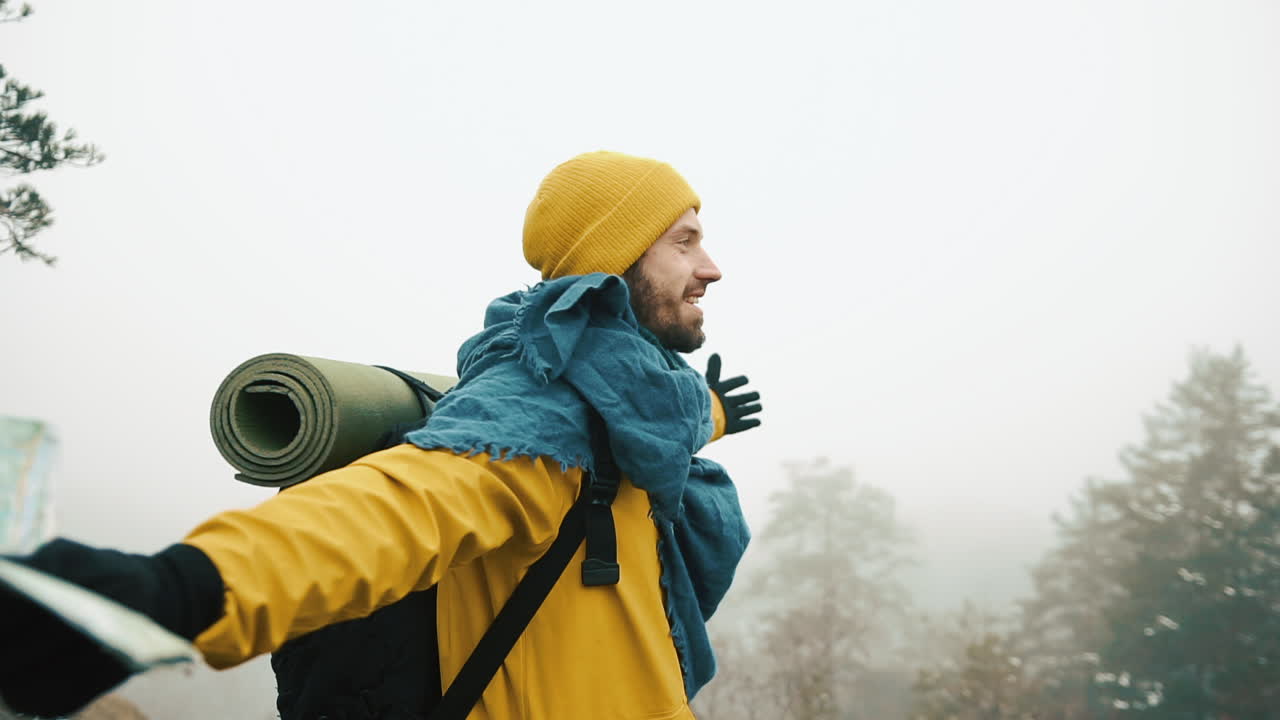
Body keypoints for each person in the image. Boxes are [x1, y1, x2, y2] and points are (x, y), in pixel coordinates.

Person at [0, 150, 761, 720]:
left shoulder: (635, 400)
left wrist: (711, 412)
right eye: (684, 241)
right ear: (617, 256)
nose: (712, 267)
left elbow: (658, 425)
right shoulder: (540, 411)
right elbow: (393, 514)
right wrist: (173, 593)